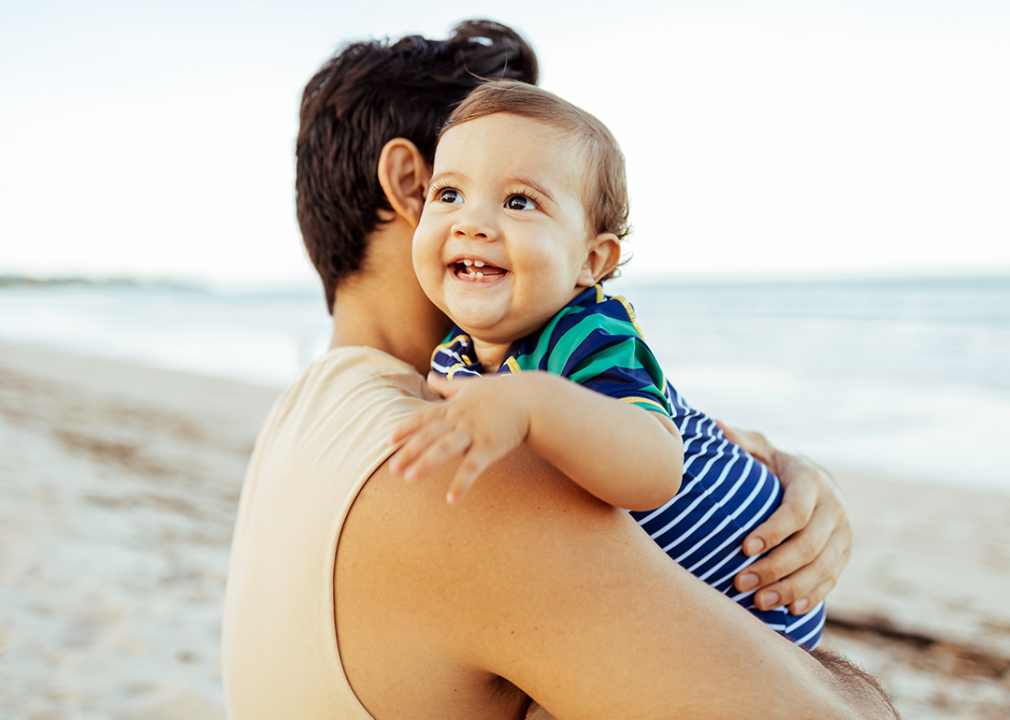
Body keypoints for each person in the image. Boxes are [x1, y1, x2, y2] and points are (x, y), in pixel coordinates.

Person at [222, 20, 887, 720]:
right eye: (460, 189)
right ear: (411, 185)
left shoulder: (302, 424)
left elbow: (643, 434)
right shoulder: (459, 471)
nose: (491, 221)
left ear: (590, 255)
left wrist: (776, 474)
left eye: (525, 199)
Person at [389, 80, 825, 649]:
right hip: (670, 605)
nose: (471, 222)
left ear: (590, 260)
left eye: (519, 202)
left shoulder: (589, 331)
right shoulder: (453, 356)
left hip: (752, 594)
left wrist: (534, 403)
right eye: (449, 195)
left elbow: (656, 469)